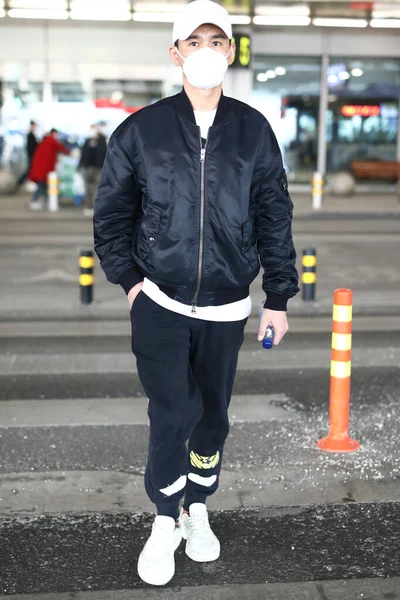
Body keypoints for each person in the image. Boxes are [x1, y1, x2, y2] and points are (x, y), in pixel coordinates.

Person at [94, 0, 299, 587]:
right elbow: (111, 217)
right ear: (175, 51)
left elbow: (273, 215)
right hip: (158, 298)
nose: (207, 50)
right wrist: (131, 284)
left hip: (228, 303)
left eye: (218, 41)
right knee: (173, 410)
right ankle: (164, 517)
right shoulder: (141, 131)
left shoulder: (253, 131)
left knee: (211, 418)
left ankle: (198, 505)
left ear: (230, 52)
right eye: (195, 40)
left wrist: (278, 297)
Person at [28, 128, 69, 210]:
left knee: (45, 186)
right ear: (53, 133)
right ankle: (34, 201)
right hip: (43, 168)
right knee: (41, 185)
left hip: (41, 167)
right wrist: (69, 153)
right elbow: (60, 147)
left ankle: (46, 201)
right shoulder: (50, 140)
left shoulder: (45, 141)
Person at [78, 124, 107, 217]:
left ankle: (96, 208)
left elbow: (103, 153)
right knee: (88, 189)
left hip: (98, 168)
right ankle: (89, 207)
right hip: (88, 168)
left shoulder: (102, 140)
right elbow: (83, 154)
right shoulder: (87, 141)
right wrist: (80, 165)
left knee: (97, 189)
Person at [17, 121, 39, 186]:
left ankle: (20, 182)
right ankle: (19, 182)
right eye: (34, 126)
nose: (35, 128)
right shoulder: (30, 135)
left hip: (32, 155)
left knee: (30, 169)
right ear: (32, 126)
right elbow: (31, 147)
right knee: (30, 169)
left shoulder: (31, 134)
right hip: (31, 155)